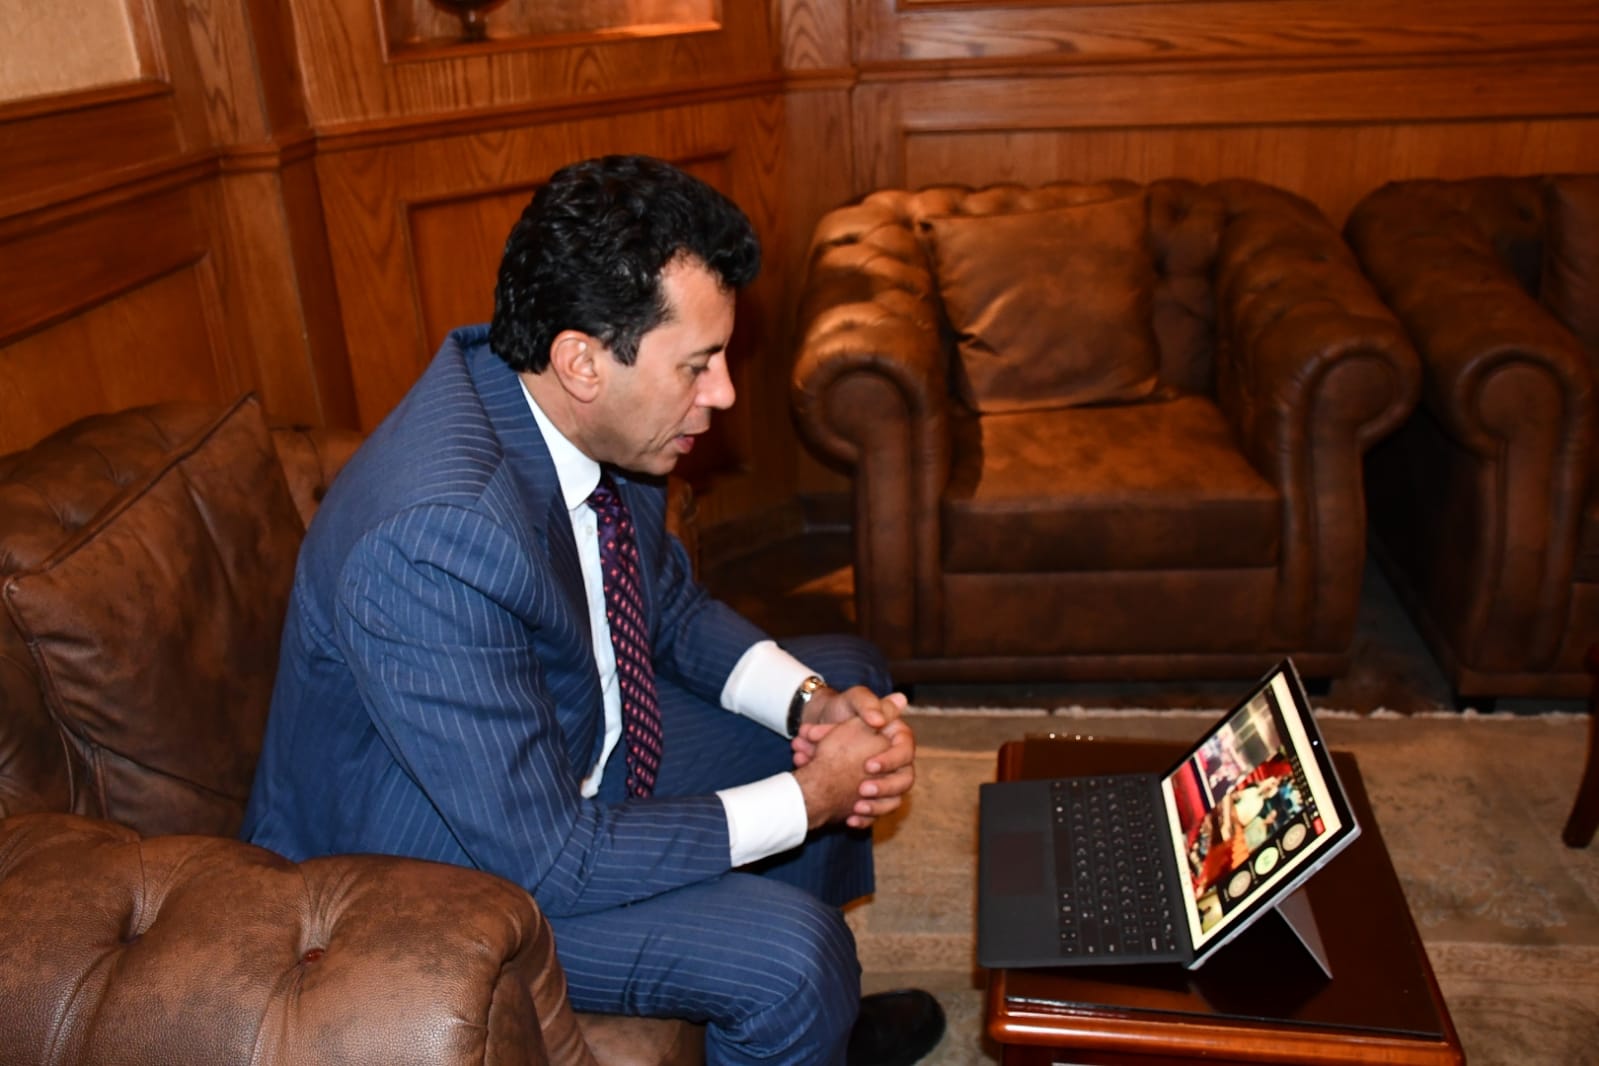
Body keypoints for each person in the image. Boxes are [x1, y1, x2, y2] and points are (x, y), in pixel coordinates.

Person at [242, 154, 944, 1066]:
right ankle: (803, 999)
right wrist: (811, 798)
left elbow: (669, 608)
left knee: (844, 677)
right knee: (790, 960)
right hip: (432, 872)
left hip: (569, 755)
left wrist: (810, 704)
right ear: (581, 359)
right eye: (697, 365)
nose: (723, 393)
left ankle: (814, 1030)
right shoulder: (432, 539)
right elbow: (545, 858)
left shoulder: (592, 414)